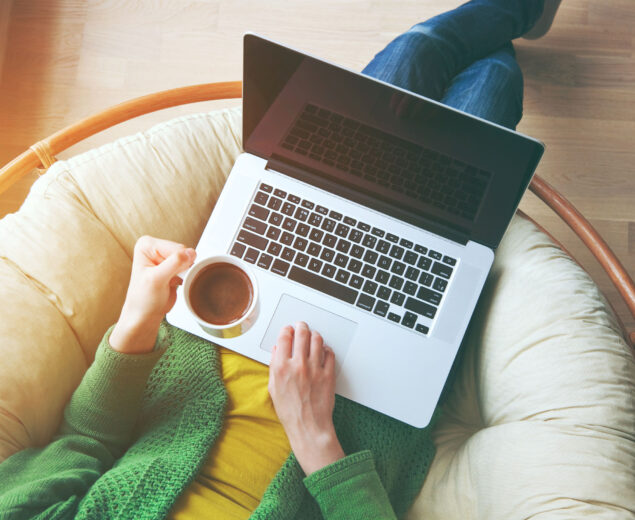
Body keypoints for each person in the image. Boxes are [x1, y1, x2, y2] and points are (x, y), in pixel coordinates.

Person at [0, 1, 557, 518]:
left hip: (230, 316)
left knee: (416, 57)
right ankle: (509, 19)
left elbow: (85, 441)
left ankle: (507, 16)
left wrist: (137, 321)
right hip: (353, 402)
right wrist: (315, 438)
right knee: (492, 84)